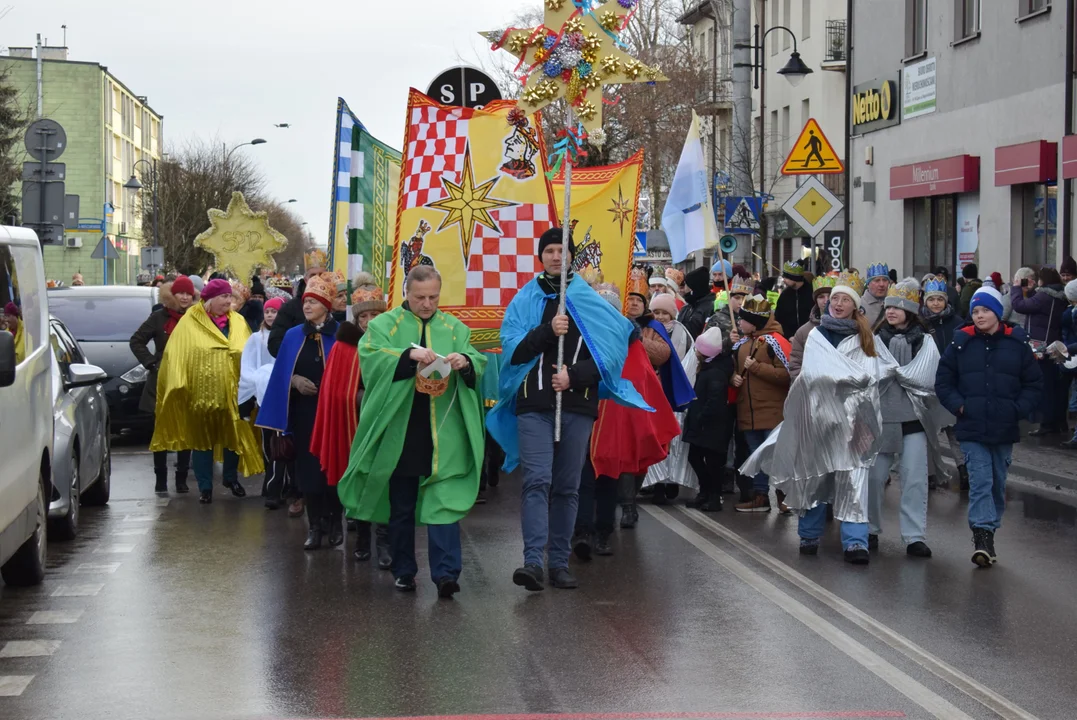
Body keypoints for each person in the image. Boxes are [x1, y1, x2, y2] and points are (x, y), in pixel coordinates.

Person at [488, 228, 646, 592]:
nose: (557, 256)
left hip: (576, 404)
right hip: (534, 404)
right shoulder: (526, 299)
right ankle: (532, 562)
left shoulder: (591, 300)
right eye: (550, 250)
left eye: (563, 250)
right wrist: (548, 330)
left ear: (572, 256)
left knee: (567, 485)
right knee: (537, 480)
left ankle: (558, 562)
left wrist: (572, 376)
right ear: (541, 256)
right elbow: (513, 351)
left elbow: (611, 357)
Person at [338, 266, 486, 597]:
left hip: (444, 429)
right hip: (402, 427)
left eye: (433, 297)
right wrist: (407, 355)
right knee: (401, 504)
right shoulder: (382, 325)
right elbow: (370, 359)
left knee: (444, 500)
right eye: (420, 297)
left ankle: (447, 573)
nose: (427, 304)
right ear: (406, 292)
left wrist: (465, 361)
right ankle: (404, 570)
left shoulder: (454, 327)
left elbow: (478, 360)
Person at [743, 271, 890, 564]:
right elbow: (809, 376)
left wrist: (848, 382)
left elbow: (875, 374)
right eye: (834, 298)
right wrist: (840, 380)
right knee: (815, 477)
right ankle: (809, 536)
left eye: (843, 299)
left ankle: (855, 543)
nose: (836, 303)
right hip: (819, 416)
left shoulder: (866, 338)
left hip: (854, 420)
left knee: (853, 480)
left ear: (854, 306)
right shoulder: (816, 336)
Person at [935, 286, 1042, 567]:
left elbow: (1033, 383)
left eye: (984, 310)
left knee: (997, 482)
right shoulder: (961, 342)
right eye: (975, 311)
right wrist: (960, 405)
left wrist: (1017, 409)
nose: (979, 316)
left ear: (997, 312)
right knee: (980, 480)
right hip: (970, 426)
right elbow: (944, 381)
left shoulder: (1017, 343)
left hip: (1004, 425)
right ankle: (982, 537)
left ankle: (990, 528)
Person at [149, 278, 263, 503]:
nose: (228, 301)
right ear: (209, 300)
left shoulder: (238, 322)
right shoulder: (190, 321)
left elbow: (249, 354)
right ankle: (205, 487)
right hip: (200, 392)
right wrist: (178, 385)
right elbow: (176, 355)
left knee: (234, 437)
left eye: (230, 297)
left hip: (234, 393)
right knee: (202, 440)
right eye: (223, 296)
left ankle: (230, 479)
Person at [309, 273, 391, 567]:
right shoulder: (345, 346)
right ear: (356, 319)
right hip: (354, 424)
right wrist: (359, 398)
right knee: (358, 477)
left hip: (386, 423)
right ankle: (362, 538)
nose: (369, 321)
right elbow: (335, 392)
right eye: (364, 315)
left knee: (382, 480)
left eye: (374, 314)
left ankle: (383, 540)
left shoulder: (393, 343)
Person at [258, 275, 343, 550]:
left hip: (333, 414)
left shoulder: (341, 334)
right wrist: (294, 381)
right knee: (307, 471)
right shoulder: (294, 335)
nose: (306, 306)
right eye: (305, 301)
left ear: (326, 306)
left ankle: (334, 522)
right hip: (304, 413)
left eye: (313, 302)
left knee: (333, 469)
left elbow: (352, 374)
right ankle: (314, 526)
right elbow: (282, 372)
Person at [868, 278, 947, 558]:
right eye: (889, 307)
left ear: (910, 310)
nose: (891, 311)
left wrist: (903, 377)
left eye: (898, 307)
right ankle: (870, 528)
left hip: (913, 418)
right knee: (875, 477)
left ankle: (914, 536)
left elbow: (930, 377)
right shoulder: (875, 340)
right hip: (883, 417)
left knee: (914, 478)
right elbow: (868, 374)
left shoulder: (926, 341)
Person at [129, 276, 196, 493]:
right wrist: (151, 363)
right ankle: (160, 479)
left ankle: (181, 479)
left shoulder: (197, 317)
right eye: (181, 293)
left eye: (188, 294)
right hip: (162, 380)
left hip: (188, 379)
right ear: (172, 295)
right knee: (161, 430)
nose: (185, 297)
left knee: (186, 430)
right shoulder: (159, 317)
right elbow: (136, 340)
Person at [731, 296, 792, 514]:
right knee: (756, 456)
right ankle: (760, 496)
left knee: (775, 456)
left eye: (744, 319)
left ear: (754, 322)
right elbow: (735, 371)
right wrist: (734, 378)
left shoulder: (776, 342)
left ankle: (784, 496)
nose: (740, 323)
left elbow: (786, 375)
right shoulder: (742, 343)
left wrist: (757, 368)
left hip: (772, 411)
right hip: (748, 411)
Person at [921, 274, 969, 489]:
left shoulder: (958, 323)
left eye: (940, 299)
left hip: (952, 382)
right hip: (927, 383)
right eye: (931, 300)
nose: (936, 304)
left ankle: (964, 468)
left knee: (954, 430)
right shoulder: (920, 324)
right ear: (925, 302)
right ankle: (929, 471)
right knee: (928, 430)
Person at [239, 296, 286, 508]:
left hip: (283, 396)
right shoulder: (256, 339)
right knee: (269, 444)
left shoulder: (287, 336)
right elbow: (247, 368)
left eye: (274, 312)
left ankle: (279, 487)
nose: (269, 315)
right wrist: (259, 381)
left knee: (283, 444)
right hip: (262, 397)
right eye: (267, 311)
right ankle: (271, 484)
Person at [682, 327, 734, 511]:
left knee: (713, 463)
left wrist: (701, 418)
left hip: (711, 426)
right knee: (695, 457)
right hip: (702, 424)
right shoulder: (708, 368)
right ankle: (705, 491)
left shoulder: (716, 372)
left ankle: (713, 496)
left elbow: (715, 400)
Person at [1011, 266, 1067, 435]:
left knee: (1044, 385)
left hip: (1040, 345)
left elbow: (1019, 305)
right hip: (1053, 342)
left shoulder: (1044, 296)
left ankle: (1046, 423)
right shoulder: (1057, 295)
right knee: (1055, 385)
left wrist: (1016, 287)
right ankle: (1058, 421)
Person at [268, 263, 327, 357]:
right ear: (305, 279)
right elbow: (275, 343)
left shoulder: (335, 305)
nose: (317, 279)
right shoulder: (289, 308)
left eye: (321, 275)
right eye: (312, 275)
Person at [788, 272, 837, 382]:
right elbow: (795, 364)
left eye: (830, 296)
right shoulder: (803, 332)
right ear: (815, 301)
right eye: (821, 297)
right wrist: (804, 387)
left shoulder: (847, 327)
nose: (826, 301)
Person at [775, 260, 814, 339]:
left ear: (794, 278)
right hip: (790, 339)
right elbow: (779, 318)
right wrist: (788, 336)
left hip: (811, 338)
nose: (784, 280)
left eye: (786, 277)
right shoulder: (784, 295)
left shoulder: (812, 293)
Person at [677, 267, 715, 339]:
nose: (684, 289)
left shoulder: (711, 308)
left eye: (686, 285)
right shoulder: (687, 307)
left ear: (693, 288)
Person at [862, 263, 891, 327]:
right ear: (868, 284)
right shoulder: (858, 304)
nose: (881, 284)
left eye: (885, 280)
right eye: (877, 280)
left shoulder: (893, 304)